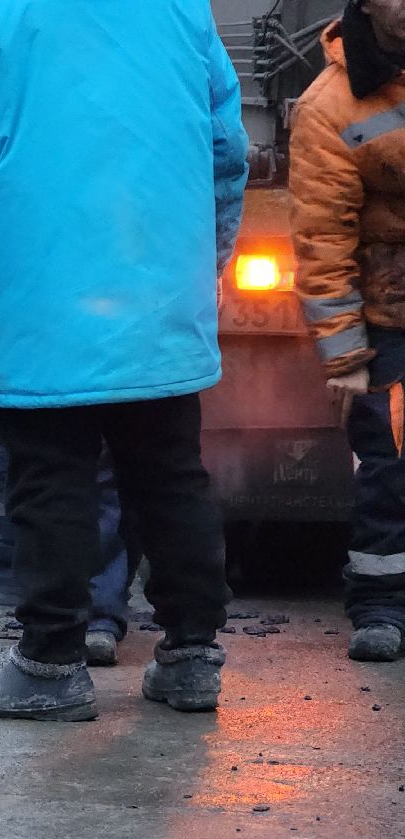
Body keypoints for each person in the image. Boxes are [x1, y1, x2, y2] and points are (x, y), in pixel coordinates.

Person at [0, 1, 248, 720]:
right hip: (158, 286)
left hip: (36, 285)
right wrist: (199, 259)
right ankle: (189, 657)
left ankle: (50, 665)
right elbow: (225, 144)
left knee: (48, 475)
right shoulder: (182, 6)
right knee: (171, 473)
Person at [290, 0, 405, 663]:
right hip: (391, 322)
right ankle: (382, 606)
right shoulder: (330, 107)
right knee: (390, 466)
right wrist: (346, 357)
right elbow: (322, 241)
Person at [0, 413, 134, 667]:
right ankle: (96, 617)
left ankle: (58, 624)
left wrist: (4, 574)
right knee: (99, 474)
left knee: (23, 464)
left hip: (16, 384)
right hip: (98, 382)